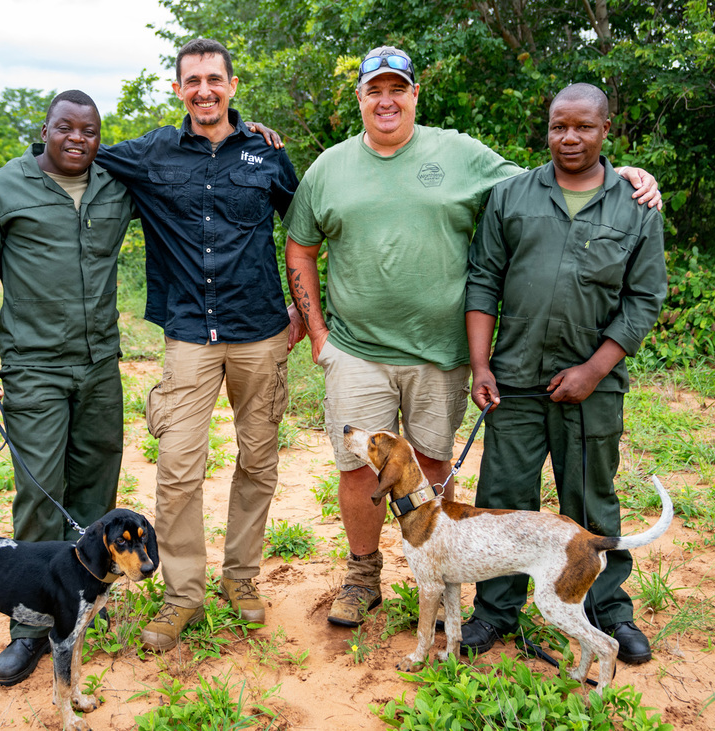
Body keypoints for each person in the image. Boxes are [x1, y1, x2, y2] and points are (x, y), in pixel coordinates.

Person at [283, 46, 661, 628]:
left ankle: (463, 582)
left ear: (414, 94)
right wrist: (318, 332)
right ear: (359, 97)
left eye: (397, 89)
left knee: (435, 468)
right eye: (373, 90)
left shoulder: (461, 154)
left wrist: (627, 174)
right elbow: (301, 247)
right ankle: (367, 577)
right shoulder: (329, 166)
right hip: (357, 349)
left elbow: (555, 178)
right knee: (360, 470)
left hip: (440, 352)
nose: (386, 100)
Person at [0, 39, 302, 652]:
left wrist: (303, 312)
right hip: (188, 336)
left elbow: (303, 227)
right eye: (192, 80)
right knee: (176, 474)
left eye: (215, 79)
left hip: (260, 333)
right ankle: (180, 597)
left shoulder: (266, 152)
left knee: (258, 462)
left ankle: (242, 580)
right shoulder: (148, 153)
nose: (205, 89)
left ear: (231, 84)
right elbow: (67, 153)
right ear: (178, 89)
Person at [462, 82, 666, 663]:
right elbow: (483, 281)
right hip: (516, 381)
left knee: (590, 504)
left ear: (606, 131)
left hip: (591, 390)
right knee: (503, 504)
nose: (569, 138)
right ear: (547, 128)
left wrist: (595, 370)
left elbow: (643, 299)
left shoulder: (636, 205)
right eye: (558, 126)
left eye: (582, 127)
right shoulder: (511, 196)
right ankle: (495, 613)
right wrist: (481, 364)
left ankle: (608, 613)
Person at [0, 89, 137, 686]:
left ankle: (88, 601)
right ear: (46, 129)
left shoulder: (117, 182)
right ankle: (30, 628)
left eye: (89, 131)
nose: (77, 140)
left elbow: (184, 157)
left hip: (100, 363)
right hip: (33, 365)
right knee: (40, 492)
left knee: (95, 482)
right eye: (66, 128)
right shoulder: (3, 189)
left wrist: (246, 131)